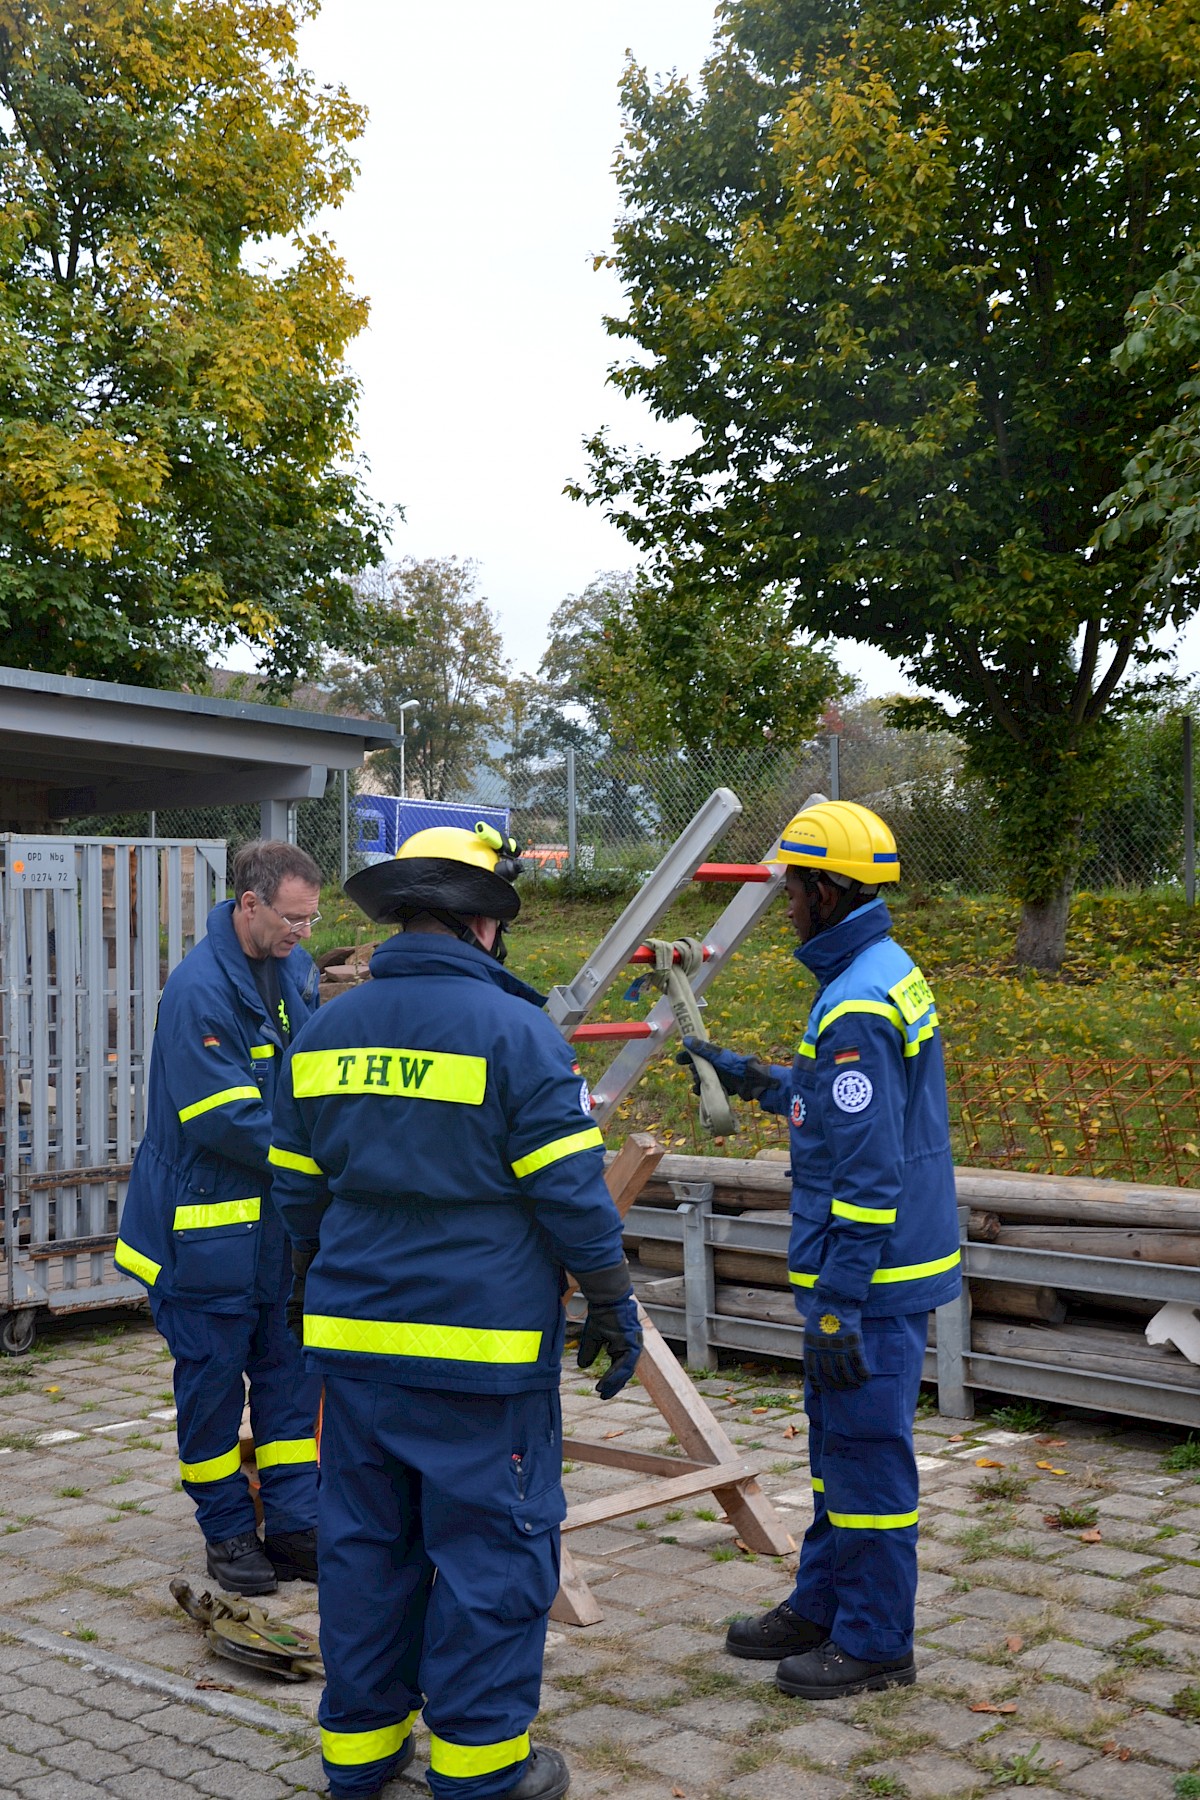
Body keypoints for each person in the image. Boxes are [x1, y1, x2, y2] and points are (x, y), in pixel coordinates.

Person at [268, 823, 642, 1800]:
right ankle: (480, 1771)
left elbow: (296, 1187)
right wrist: (610, 1297)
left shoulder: (325, 1027)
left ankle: (359, 1754)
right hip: (481, 1354)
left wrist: (314, 1283)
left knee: (365, 1551)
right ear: (485, 922)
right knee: (488, 1557)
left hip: (353, 1347)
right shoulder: (518, 1034)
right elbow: (569, 1194)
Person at [680, 800, 960, 1700]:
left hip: (870, 1281)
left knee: (869, 1458)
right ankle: (823, 1605)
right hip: (880, 1271)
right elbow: (848, 1108)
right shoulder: (876, 972)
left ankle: (876, 1641)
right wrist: (762, 1081)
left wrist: (839, 1297)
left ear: (830, 891)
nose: (785, 902)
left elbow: (867, 1170)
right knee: (839, 1452)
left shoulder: (856, 1006)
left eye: (795, 885)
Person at [115, 839, 324, 1597]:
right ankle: (228, 1532)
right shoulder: (199, 990)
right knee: (211, 1390)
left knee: (289, 1384)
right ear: (250, 904)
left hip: (273, 1236)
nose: (304, 931)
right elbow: (228, 1120)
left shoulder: (292, 970)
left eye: (311, 916)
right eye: (292, 917)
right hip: (204, 1234)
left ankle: (298, 1527)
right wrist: (325, 1158)